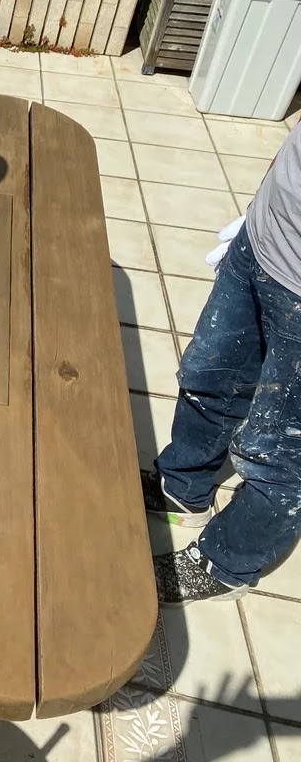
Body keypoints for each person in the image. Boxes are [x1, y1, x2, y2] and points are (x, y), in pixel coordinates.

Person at [145, 132, 301, 606]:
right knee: (209, 377)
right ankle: (182, 486)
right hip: (265, 237)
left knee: (280, 451)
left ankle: (227, 563)